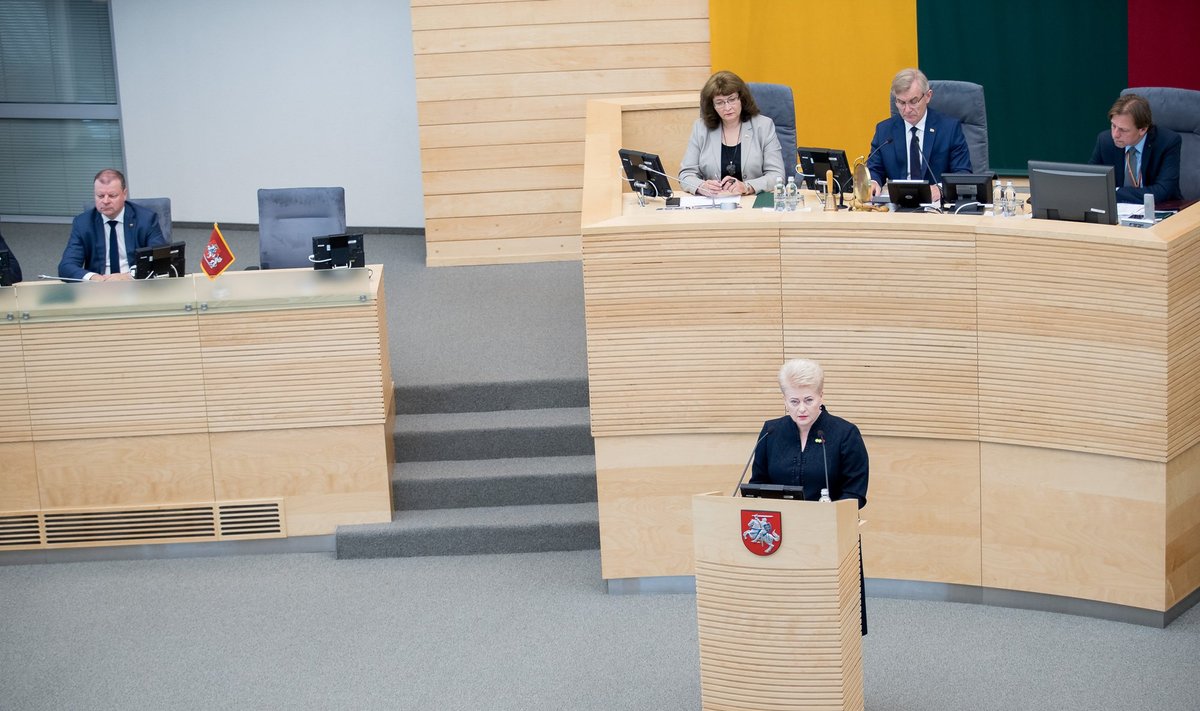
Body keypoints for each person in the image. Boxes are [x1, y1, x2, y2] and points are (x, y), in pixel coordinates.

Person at [749, 358, 869, 634]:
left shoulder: (845, 434)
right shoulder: (771, 431)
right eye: (793, 401)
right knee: (784, 621)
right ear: (784, 399)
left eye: (808, 399)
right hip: (779, 542)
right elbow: (758, 484)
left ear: (821, 396)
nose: (801, 408)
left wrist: (827, 520)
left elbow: (855, 492)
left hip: (830, 542)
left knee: (828, 623)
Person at [867, 68, 972, 204]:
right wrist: (873, 182)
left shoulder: (949, 129)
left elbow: (963, 173)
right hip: (897, 207)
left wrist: (939, 188)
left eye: (913, 101)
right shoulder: (884, 130)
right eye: (901, 102)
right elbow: (875, 168)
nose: (907, 109)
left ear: (928, 96)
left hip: (937, 208)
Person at [679, 70, 784, 197]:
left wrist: (747, 187)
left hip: (751, 203)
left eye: (732, 99)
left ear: (742, 99)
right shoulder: (701, 128)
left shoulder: (764, 126)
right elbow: (686, 175)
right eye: (720, 102)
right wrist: (702, 186)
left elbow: (777, 175)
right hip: (713, 206)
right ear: (712, 106)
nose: (727, 107)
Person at [58, 168, 167, 281]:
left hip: (135, 283)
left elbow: (160, 259)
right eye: (100, 196)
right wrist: (93, 277)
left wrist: (128, 276)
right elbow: (66, 267)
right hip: (99, 287)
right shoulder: (83, 223)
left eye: (112, 195)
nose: (105, 201)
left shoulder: (146, 219)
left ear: (124, 194)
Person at [1089, 93, 1182, 204]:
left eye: (1123, 130)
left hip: (1160, 210)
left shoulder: (1167, 142)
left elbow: (1162, 191)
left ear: (1142, 129)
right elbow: (1091, 182)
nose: (1115, 134)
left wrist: (1115, 192)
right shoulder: (1105, 141)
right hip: (1119, 212)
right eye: (1113, 126)